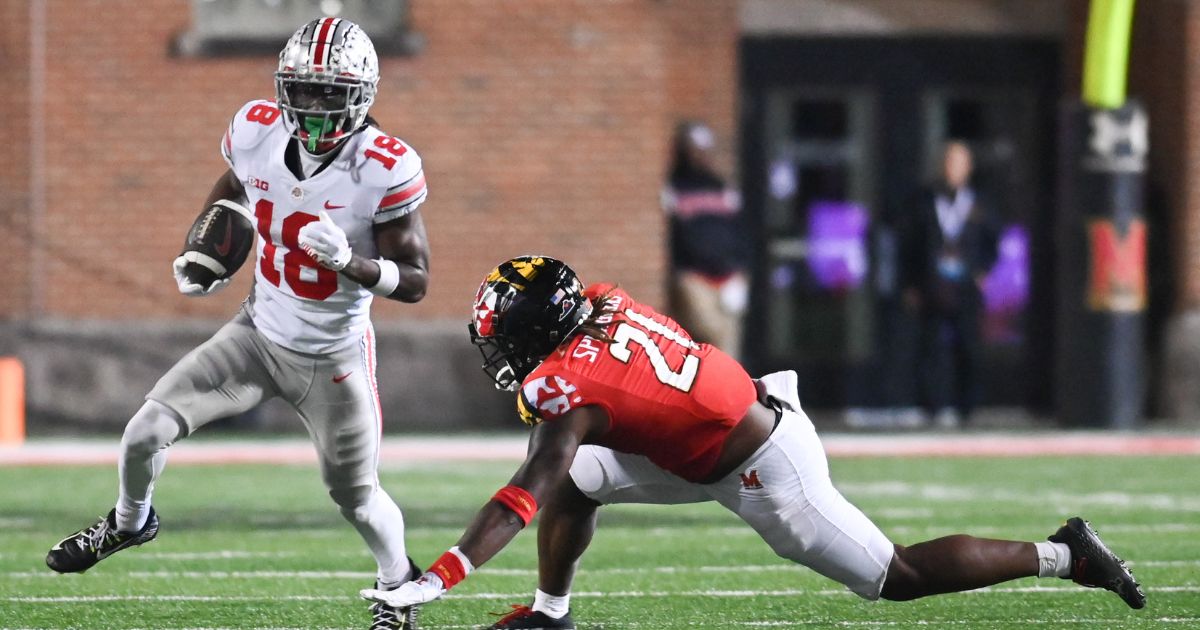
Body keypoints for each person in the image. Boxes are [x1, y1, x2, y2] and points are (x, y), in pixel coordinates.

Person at [361, 255, 1145, 629]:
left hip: (763, 465)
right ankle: (552, 614)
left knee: (894, 577)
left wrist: (440, 579)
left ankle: (1065, 553)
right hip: (700, 434)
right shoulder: (599, 301)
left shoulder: (569, 390)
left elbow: (524, 490)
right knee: (583, 481)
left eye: (505, 335)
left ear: (539, 335)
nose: (498, 351)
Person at [45, 18, 430, 630]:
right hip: (255, 335)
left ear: (362, 95)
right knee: (144, 431)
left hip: (333, 357)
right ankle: (129, 523)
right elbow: (235, 188)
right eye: (301, 90)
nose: (313, 106)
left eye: (330, 92)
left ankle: (397, 586)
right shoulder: (254, 130)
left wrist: (351, 263)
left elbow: (415, 281)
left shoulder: (382, 167)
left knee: (355, 497)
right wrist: (208, 246)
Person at [902, 141, 999, 427]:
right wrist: (911, 283)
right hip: (933, 286)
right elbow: (908, 244)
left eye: (958, 162)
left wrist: (983, 271)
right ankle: (930, 407)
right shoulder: (923, 201)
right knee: (930, 347)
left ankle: (966, 408)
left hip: (966, 287)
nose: (951, 168)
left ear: (968, 167)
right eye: (947, 161)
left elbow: (993, 240)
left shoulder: (979, 202)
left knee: (968, 347)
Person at [662, 121, 749, 360]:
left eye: (703, 150)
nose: (699, 156)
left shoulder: (720, 187)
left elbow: (739, 232)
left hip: (727, 276)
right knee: (712, 333)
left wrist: (740, 271)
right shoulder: (674, 188)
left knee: (729, 344)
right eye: (693, 150)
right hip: (693, 275)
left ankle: (732, 394)